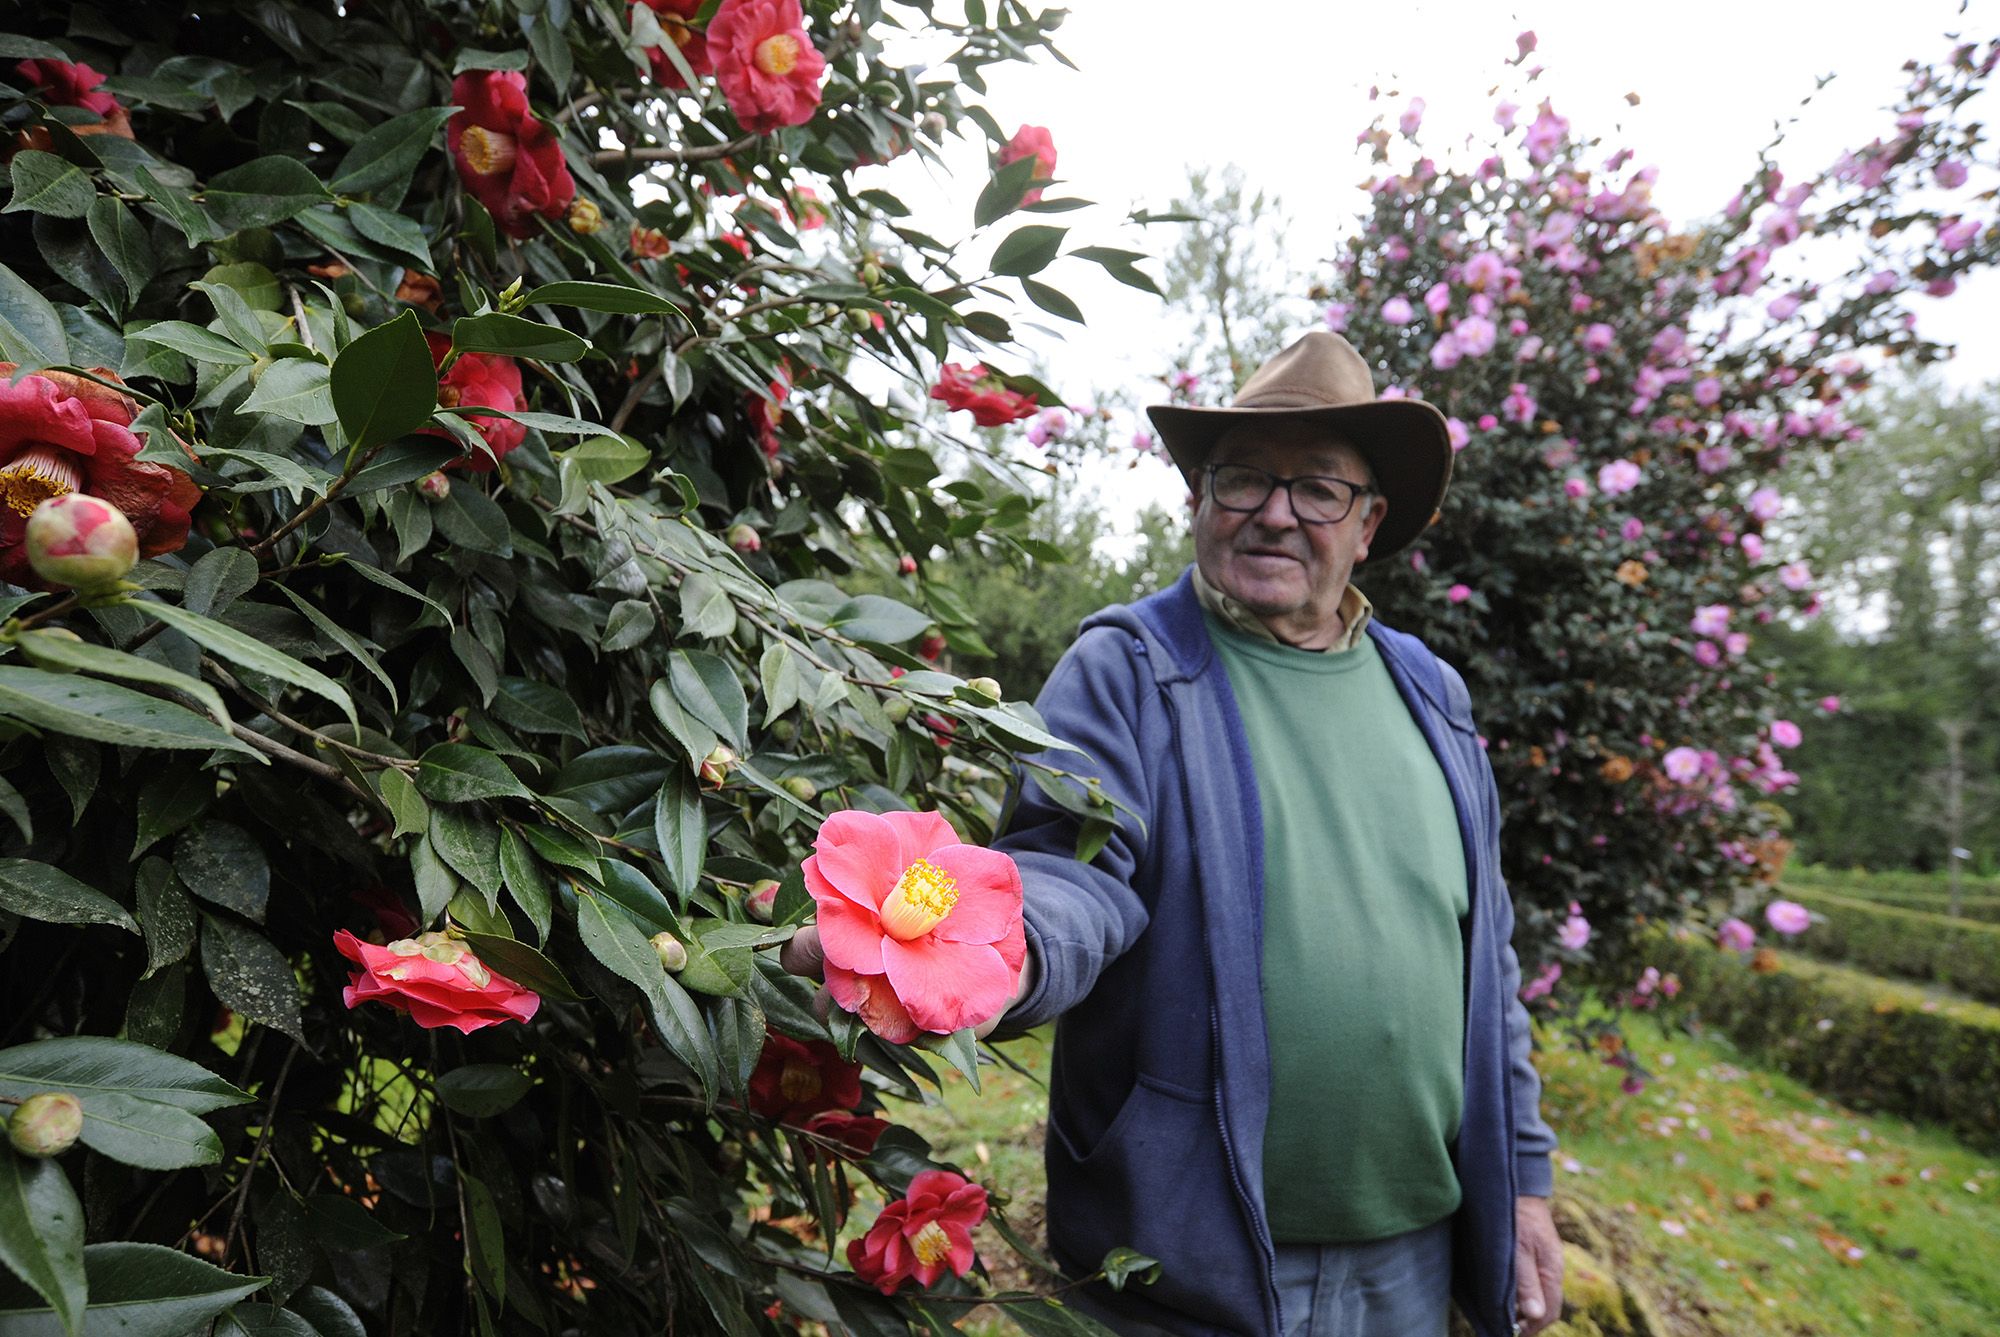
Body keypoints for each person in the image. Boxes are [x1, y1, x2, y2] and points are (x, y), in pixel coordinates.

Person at [788, 330, 1564, 1336]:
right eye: (1242, 477)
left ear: (1366, 524)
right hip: (1193, 1258)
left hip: (1407, 1257)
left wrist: (1525, 1178)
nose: (1274, 512)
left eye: (1319, 488)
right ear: (1195, 499)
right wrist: (977, 947)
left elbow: (1483, 961)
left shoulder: (1431, 695)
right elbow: (1072, 871)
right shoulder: (1129, 668)